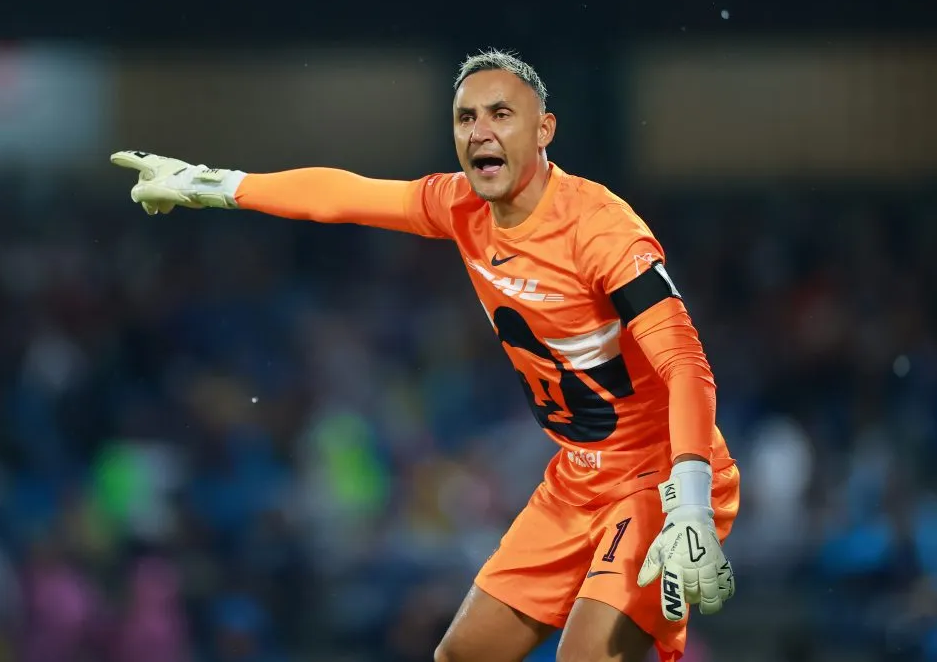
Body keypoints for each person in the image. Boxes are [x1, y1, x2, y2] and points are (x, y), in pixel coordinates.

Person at [110, 48, 739, 662]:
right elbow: (346, 196)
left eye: (501, 114)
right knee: (464, 654)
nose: (480, 131)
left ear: (544, 129)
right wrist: (217, 185)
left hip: (664, 476)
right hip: (578, 478)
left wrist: (688, 496)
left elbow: (687, 365)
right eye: (466, 118)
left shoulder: (601, 229)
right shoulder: (462, 207)